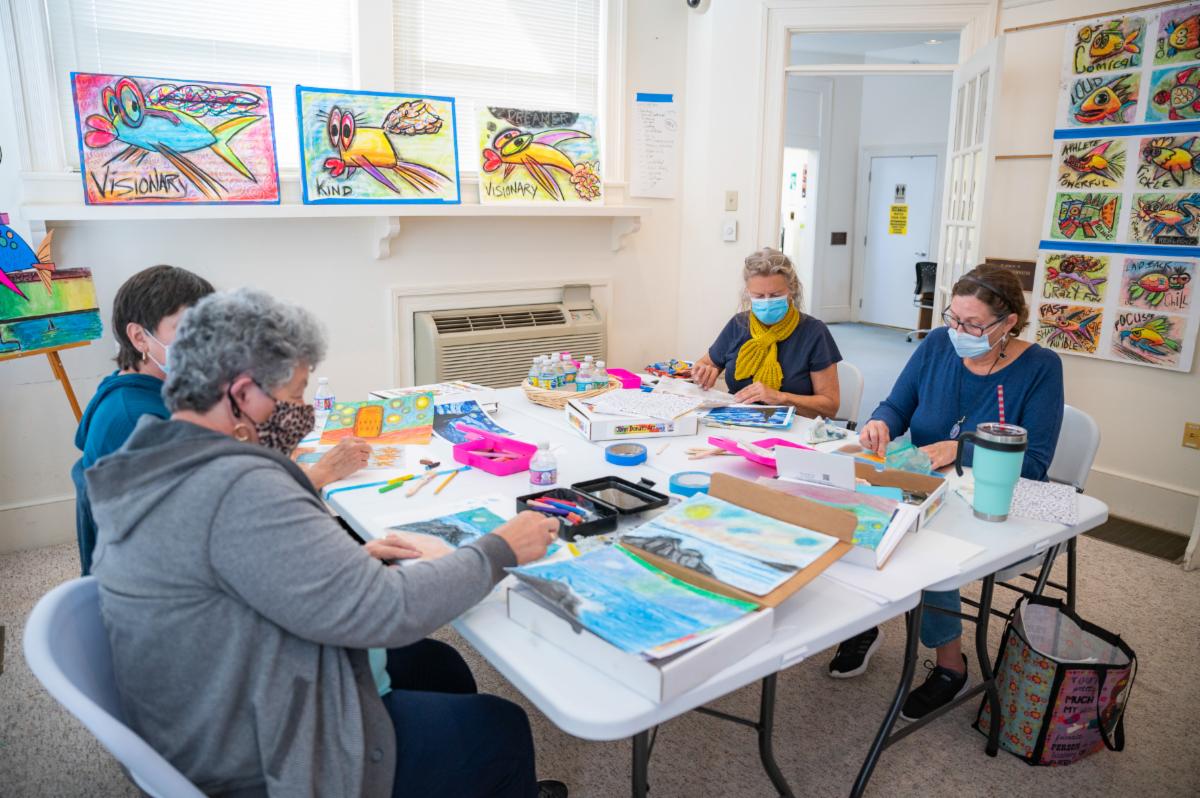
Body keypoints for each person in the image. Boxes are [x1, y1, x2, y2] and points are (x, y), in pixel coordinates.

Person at [87, 289, 566, 798]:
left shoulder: (154, 451)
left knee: (438, 665)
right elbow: (389, 610)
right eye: (294, 395)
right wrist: (501, 548)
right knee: (500, 729)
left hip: (214, 698)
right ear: (243, 394)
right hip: (259, 755)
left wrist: (343, 562)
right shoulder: (238, 489)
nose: (303, 411)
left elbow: (229, 564)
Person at [826, 265, 1064, 722]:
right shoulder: (937, 344)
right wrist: (881, 423)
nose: (959, 331)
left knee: (928, 549)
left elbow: (1033, 465)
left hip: (990, 498)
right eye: (953, 318)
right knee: (849, 508)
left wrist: (962, 448)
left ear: (1009, 321)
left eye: (973, 325)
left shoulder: (1040, 368)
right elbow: (898, 405)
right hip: (925, 483)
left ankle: (952, 666)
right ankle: (863, 623)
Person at [72, 265, 368, 575]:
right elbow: (227, 515)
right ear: (139, 337)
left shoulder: (156, 390)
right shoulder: (135, 418)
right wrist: (322, 473)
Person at [692, 247, 841, 416]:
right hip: (734, 420)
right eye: (759, 296)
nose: (767, 302)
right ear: (748, 294)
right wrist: (702, 373)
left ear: (791, 291)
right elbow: (706, 364)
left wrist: (781, 398)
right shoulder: (739, 324)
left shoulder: (814, 332)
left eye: (775, 294)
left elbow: (830, 406)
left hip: (792, 427)